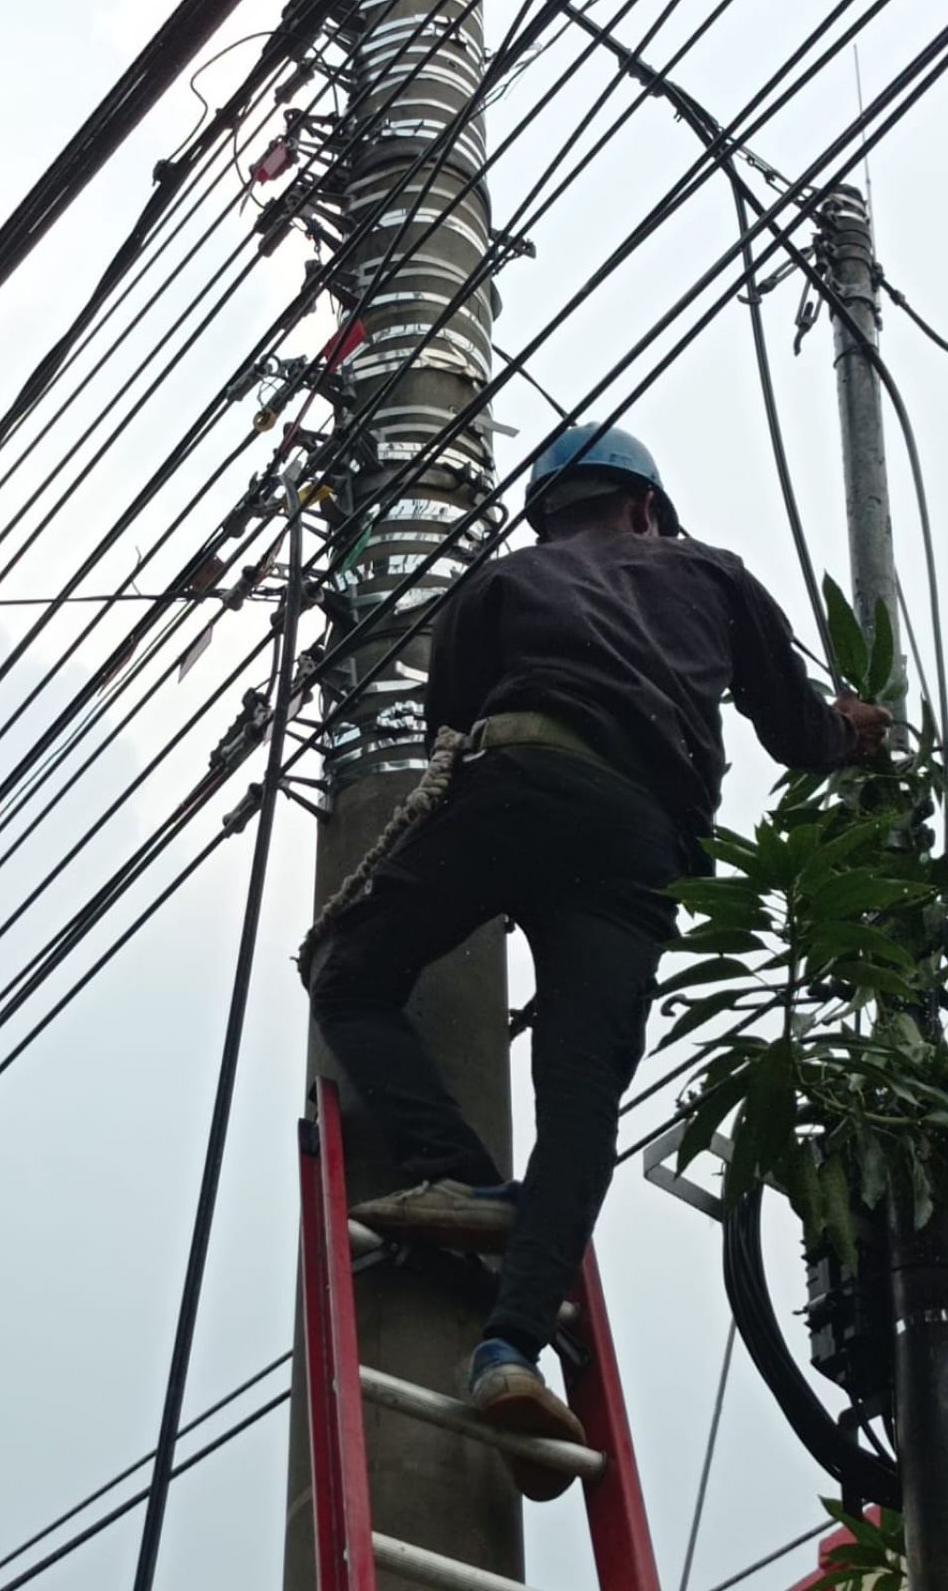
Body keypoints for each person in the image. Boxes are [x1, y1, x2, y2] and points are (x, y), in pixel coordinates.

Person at [304, 422, 891, 1497]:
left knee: (347, 972)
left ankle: (466, 1177)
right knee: (578, 1096)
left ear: (553, 512)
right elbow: (797, 733)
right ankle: (509, 1347)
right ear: (640, 507)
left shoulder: (498, 584)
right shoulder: (709, 574)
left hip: (513, 778)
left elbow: (454, 722)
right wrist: (859, 728)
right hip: (636, 842)